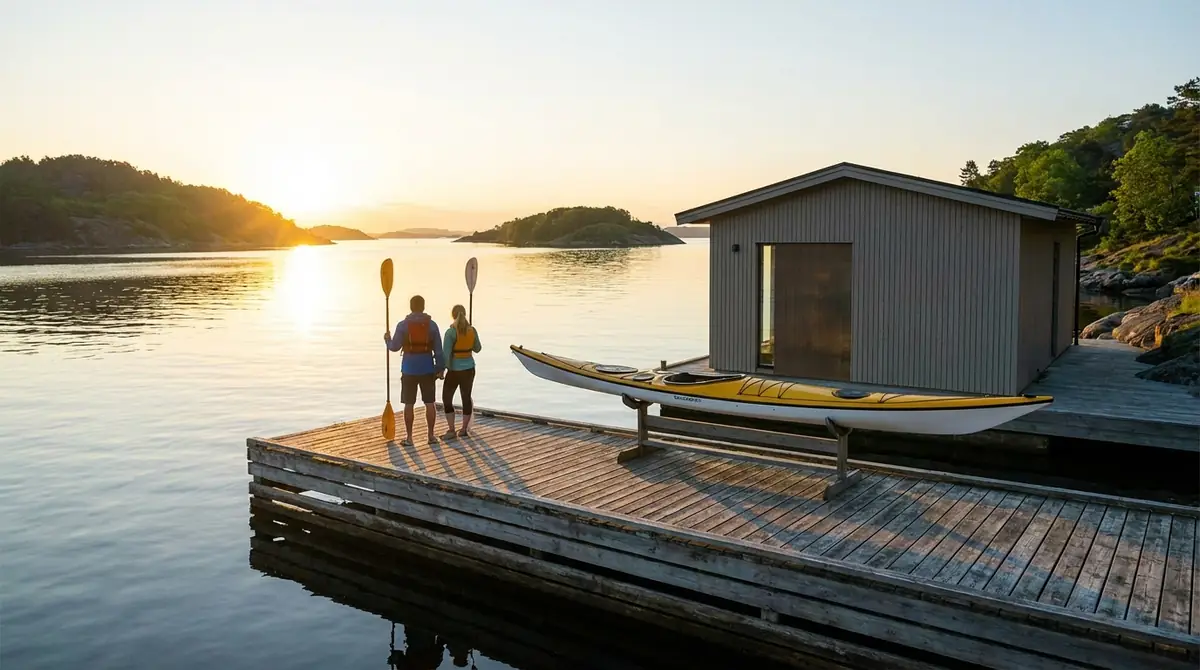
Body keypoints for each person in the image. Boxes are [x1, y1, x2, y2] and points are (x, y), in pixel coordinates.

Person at [384, 294, 445, 445]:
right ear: (423, 307)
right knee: (430, 403)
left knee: (409, 403)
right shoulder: (432, 325)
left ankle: (409, 438)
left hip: (409, 369)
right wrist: (440, 368)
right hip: (427, 368)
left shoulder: (402, 325)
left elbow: (394, 347)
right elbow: (438, 350)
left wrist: (387, 340)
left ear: (410, 307)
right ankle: (431, 436)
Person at [441, 303, 481, 438]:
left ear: (452, 316)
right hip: (469, 369)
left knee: (447, 398)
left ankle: (451, 430)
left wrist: (442, 370)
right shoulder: (472, 330)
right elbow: (478, 348)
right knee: (466, 397)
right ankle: (463, 429)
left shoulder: (450, 332)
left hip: (454, 371)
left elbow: (446, 355)